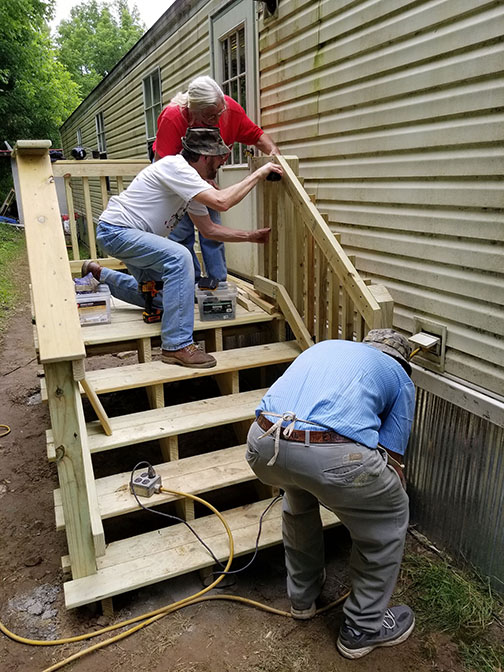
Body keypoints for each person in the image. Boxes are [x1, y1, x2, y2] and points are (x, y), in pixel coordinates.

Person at [246, 329, 416, 659]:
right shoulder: (398, 376)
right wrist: (380, 497)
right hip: (328, 453)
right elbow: (393, 459)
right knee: (390, 515)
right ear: (401, 361)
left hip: (263, 442)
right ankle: (363, 628)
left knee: (297, 495)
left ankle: (302, 598)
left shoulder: (327, 349)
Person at [83, 127, 282, 369]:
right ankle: (177, 345)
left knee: (164, 300)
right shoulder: (176, 167)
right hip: (117, 230)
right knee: (180, 257)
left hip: (133, 237)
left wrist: (250, 236)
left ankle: (100, 274)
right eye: (219, 157)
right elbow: (222, 202)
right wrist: (259, 173)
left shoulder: (191, 185)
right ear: (205, 156)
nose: (222, 162)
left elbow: (209, 229)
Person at [153, 75, 280, 282]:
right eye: (210, 117)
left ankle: (218, 283)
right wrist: (198, 182)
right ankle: (189, 284)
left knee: (211, 229)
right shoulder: (173, 117)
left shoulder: (229, 111)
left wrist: (275, 155)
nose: (217, 120)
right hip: (174, 181)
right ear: (191, 110)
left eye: (218, 113)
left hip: (204, 173)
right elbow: (163, 167)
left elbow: (257, 136)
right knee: (181, 234)